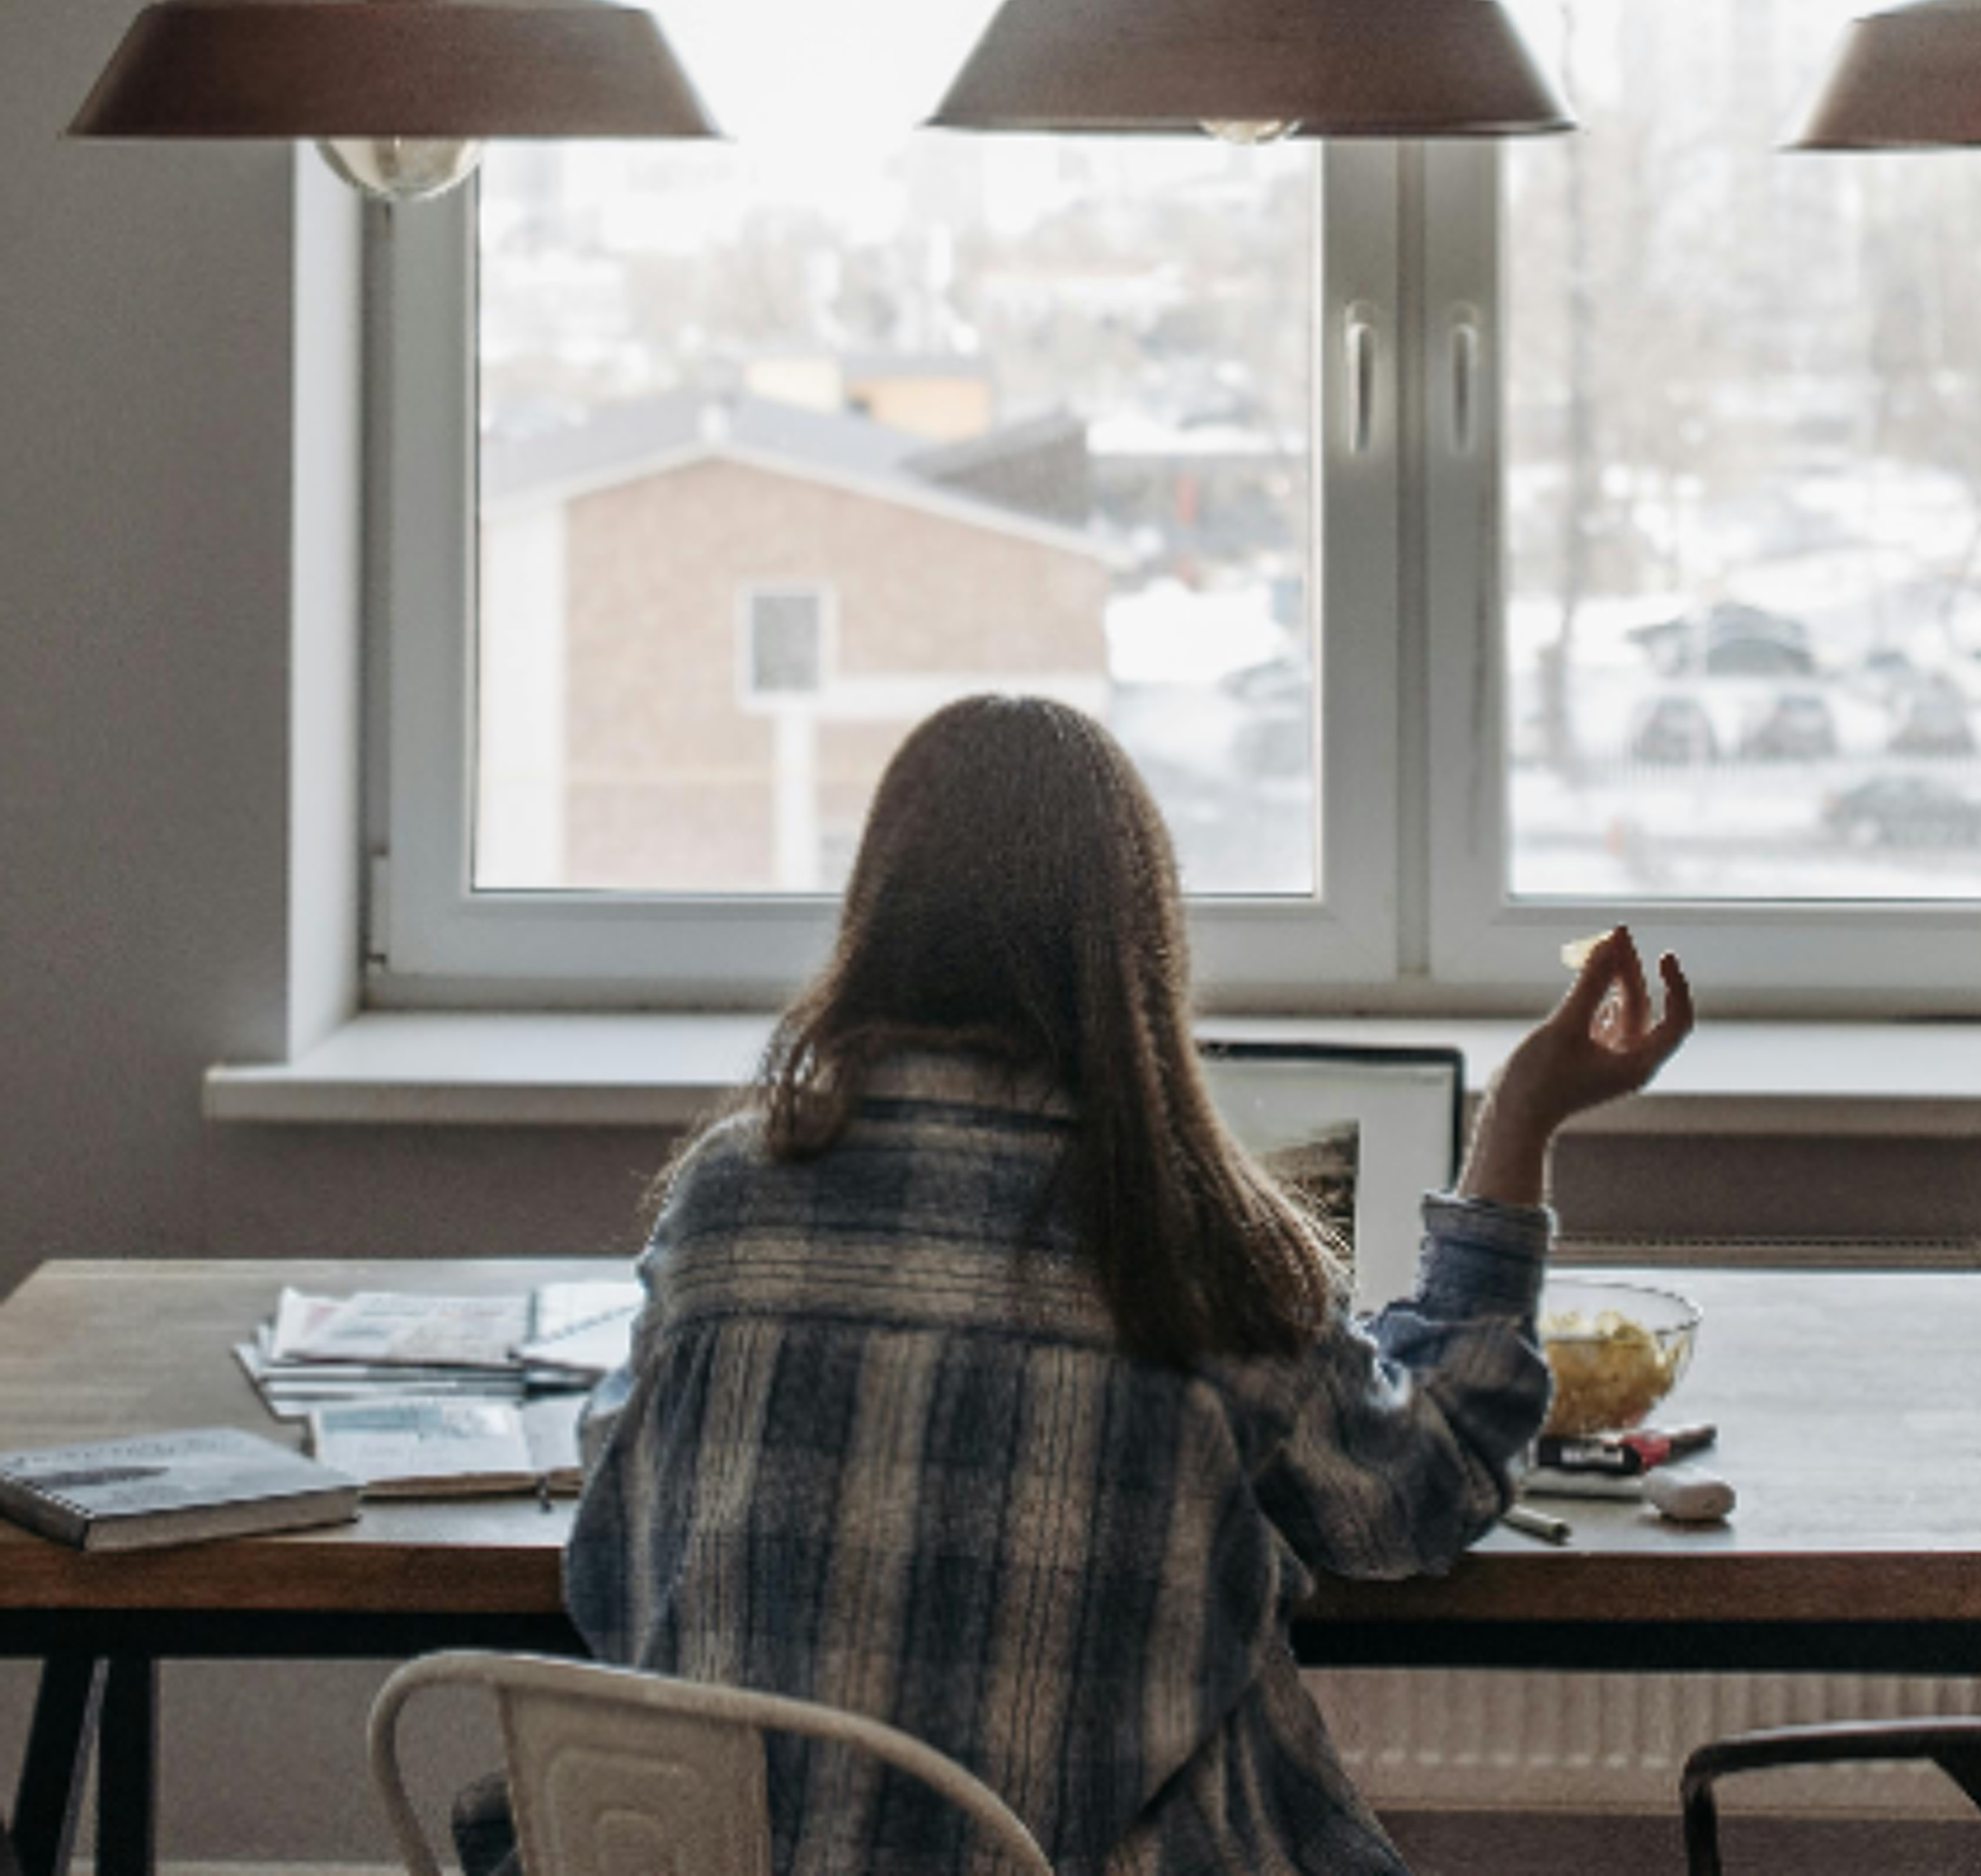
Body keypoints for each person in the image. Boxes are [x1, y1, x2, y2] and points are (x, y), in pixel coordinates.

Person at [470, 695, 1692, 1876]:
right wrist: (1522, 1118)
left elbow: (618, 1549)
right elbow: (1415, 1498)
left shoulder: (730, 1197)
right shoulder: (1191, 1234)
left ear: (877, 912)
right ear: (1134, 942)